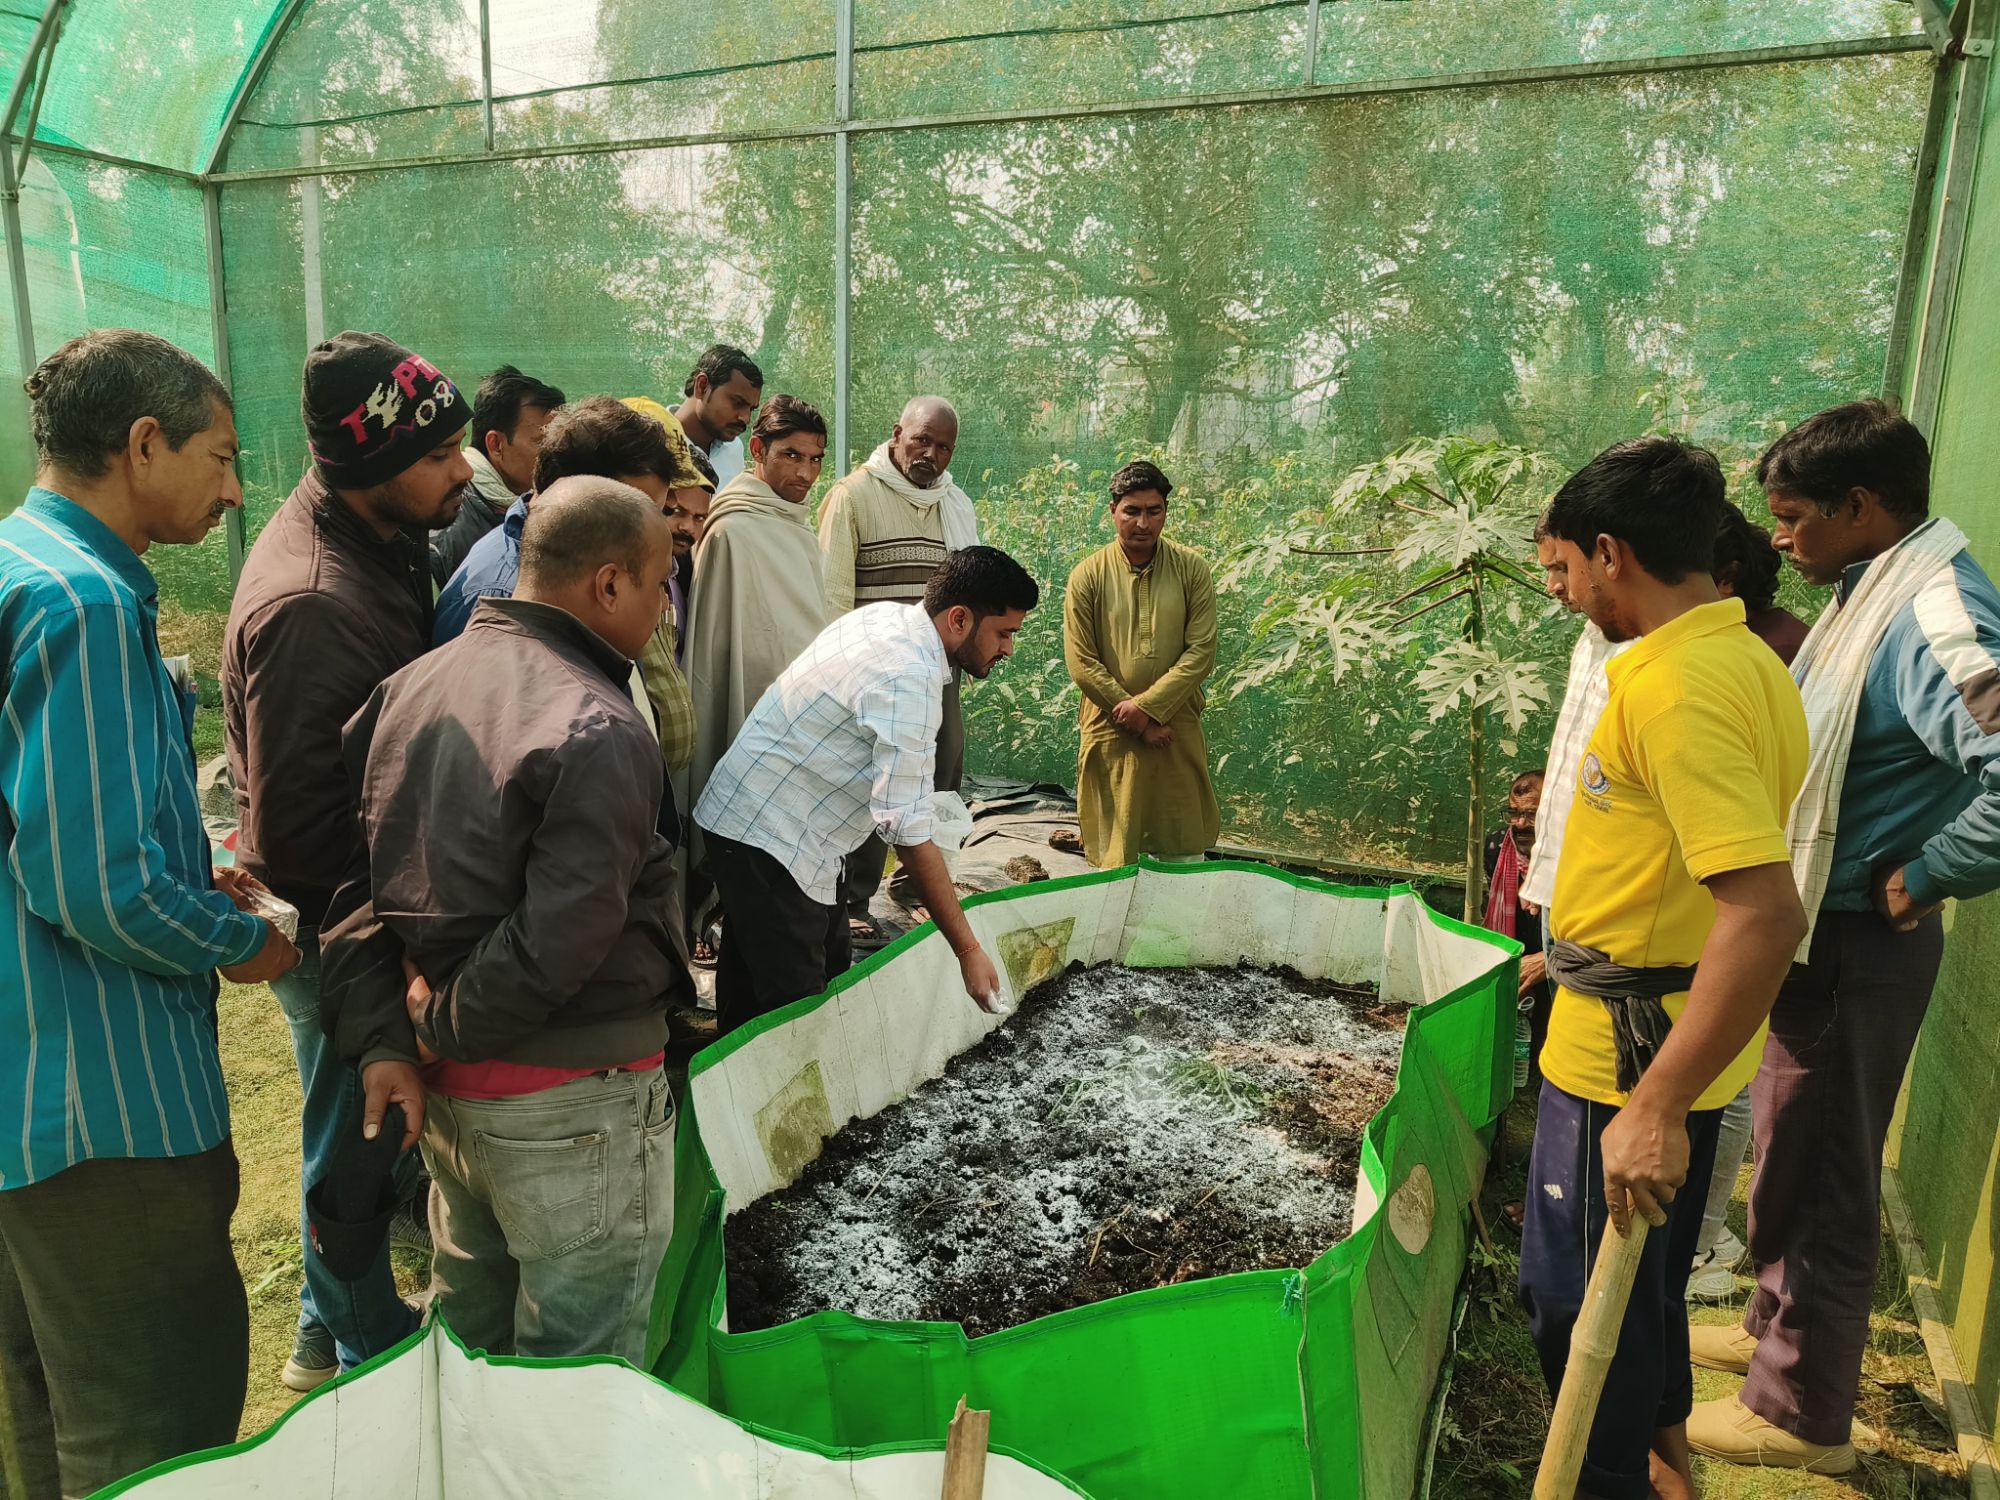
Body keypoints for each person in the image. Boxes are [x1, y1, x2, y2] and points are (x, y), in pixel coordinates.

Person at [0, 330, 301, 1497]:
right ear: (141, 445)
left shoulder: (20, 562)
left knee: (47, 1403)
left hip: (26, 1098)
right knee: (150, 1427)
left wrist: (191, 858)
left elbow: (58, 827)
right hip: (103, 1116)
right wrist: (244, 939)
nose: (233, 491)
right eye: (220, 458)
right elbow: (95, 887)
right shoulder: (83, 603)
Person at [1688, 401, 2000, 1474]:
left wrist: (1924, 873)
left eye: (1790, 519)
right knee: (1790, 1147)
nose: (1777, 540)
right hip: (1822, 935)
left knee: (1820, 1163)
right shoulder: (1871, 585)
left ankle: (1796, 1413)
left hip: (1864, 935)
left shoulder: (1930, 615)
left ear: (1859, 507)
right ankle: (1776, 1329)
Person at [322, 477, 687, 1364]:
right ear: (608, 585)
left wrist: (392, 1042)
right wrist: (432, 1026)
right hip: (575, 1106)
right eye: (660, 583)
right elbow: (563, 934)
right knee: (574, 1384)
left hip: (456, 1110)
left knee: (473, 1350)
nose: (666, 608)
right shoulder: (597, 724)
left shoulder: (403, 692)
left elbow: (355, 894)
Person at [1521, 436, 1808, 1500]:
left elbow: (1762, 911)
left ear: (1610, 552)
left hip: (1626, 1069)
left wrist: (1655, 1104)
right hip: (1623, 1030)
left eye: (1567, 569)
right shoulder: (1736, 660)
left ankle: (1610, 1479)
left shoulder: (1679, 689)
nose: (1567, 593)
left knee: (1570, 1297)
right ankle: (1661, 1457)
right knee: (1632, 1294)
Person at [223, 331, 471, 1390]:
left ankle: (326, 1327)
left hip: (361, 907)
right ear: (368, 464)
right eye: (439, 454)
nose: (463, 470)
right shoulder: (316, 603)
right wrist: (379, 976)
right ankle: (366, 1344)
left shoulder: (379, 529)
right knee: (359, 1131)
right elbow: (303, 840)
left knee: (355, 1124)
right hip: (336, 925)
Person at [695, 547, 1038, 1033]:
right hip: (771, 836)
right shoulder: (907, 678)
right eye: (1003, 633)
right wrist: (968, 949)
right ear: (959, 618)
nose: (1008, 649)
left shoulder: (886, 618)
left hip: (769, 823)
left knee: (805, 970)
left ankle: (729, 1084)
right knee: (794, 1014)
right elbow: (908, 830)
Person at [1682, 501, 1811, 1303]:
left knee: (1728, 1078)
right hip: (1742, 882)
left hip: (1752, 888)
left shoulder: (1766, 653)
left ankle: (1698, 1246)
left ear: (1721, 580)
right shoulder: (1766, 643)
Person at [819, 397, 982, 932]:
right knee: (871, 778)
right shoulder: (853, 497)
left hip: (938, 671)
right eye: (921, 440)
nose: (930, 454)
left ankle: (917, 883)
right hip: (874, 676)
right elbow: (833, 596)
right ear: (897, 433)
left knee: (942, 766)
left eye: (943, 447)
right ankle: (851, 899)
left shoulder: (954, 504)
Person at [1062, 459, 1219, 868]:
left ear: (1166, 511)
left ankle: (1178, 932)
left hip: (1176, 725)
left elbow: (1201, 651)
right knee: (1113, 851)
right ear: (1112, 511)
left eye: (1154, 511)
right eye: (1132, 511)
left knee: (1182, 848)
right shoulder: (1088, 575)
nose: (1143, 523)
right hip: (1111, 727)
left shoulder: (1192, 570)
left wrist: (1148, 708)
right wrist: (1137, 719)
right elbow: (1081, 661)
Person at [684, 395, 832, 821]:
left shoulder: (800, 530)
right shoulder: (730, 531)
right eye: (791, 455)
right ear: (757, 450)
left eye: (815, 459)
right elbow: (712, 663)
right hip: (746, 710)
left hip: (801, 717)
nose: (806, 473)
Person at [428, 365, 564, 586]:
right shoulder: (453, 528)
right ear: (497, 445)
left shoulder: (520, 503)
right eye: (543, 442)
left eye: (559, 440)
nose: (557, 452)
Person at [1483, 769, 1548, 1089]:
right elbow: (1493, 907)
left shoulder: (1570, 858)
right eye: (1514, 813)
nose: (1521, 824)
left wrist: (1546, 961)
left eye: (1531, 814)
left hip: (1558, 963)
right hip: (1516, 955)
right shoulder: (1496, 847)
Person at [673, 343, 762, 491]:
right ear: (702, 387)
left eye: (751, 409)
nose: (746, 418)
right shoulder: (652, 440)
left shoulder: (734, 450)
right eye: (737, 402)